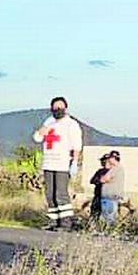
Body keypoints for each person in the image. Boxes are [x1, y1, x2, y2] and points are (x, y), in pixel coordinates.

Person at [33, 96, 83, 231]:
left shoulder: (71, 124)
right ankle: (54, 221)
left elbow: (76, 145)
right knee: (49, 194)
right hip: (48, 162)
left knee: (60, 193)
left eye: (60, 107)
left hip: (62, 164)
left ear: (65, 108)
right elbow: (37, 138)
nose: (57, 109)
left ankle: (66, 223)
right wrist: (41, 131)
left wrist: (74, 163)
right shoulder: (49, 121)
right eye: (55, 107)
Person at [89, 150, 124, 225]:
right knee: (95, 213)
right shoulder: (100, 171)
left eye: (104, 161)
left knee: (108, 216)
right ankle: (93, 226)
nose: (102, 163)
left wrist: (102, 179)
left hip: (109, 197)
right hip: (99, 195)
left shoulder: (114, 170)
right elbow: (92, 180)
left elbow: (104, 179)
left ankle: (105, 230)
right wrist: (98, 180)